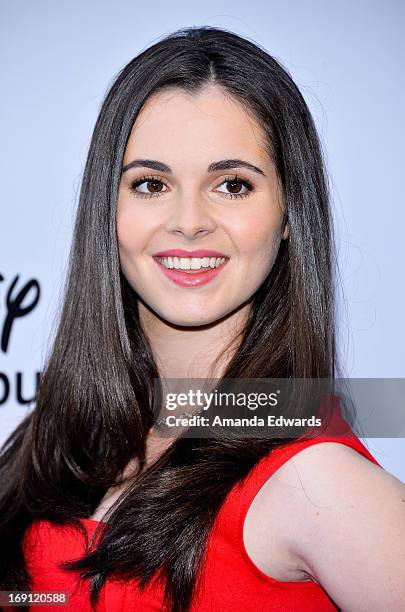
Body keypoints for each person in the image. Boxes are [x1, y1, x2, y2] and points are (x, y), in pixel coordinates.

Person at [0, 25, 404, 612]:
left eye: (233, 185)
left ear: (290, 215)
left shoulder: (314, 481)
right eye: (151, 183)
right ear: (106, 211)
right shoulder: (49, 443)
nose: (189, 220)